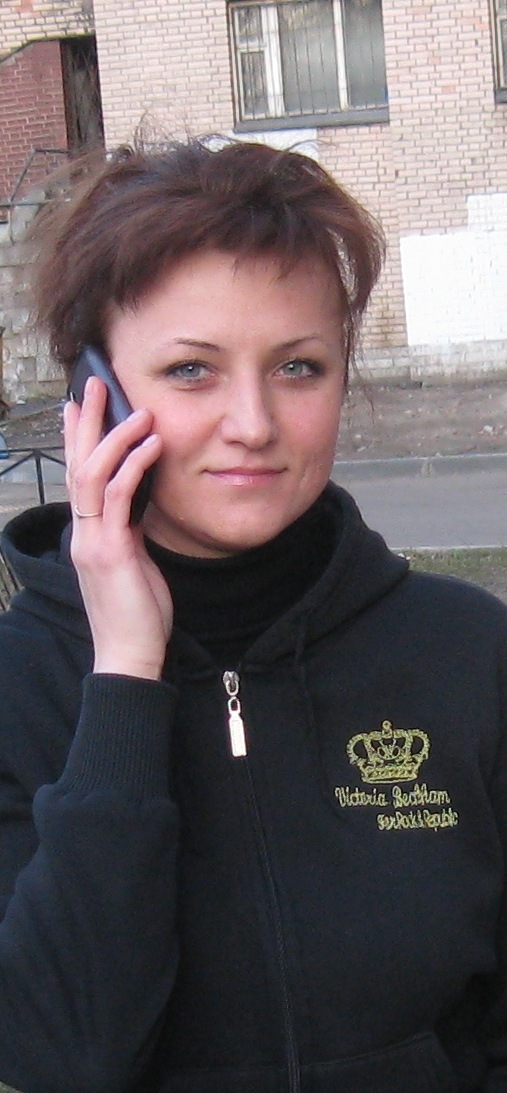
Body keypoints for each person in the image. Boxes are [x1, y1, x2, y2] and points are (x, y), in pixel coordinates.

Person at [0, 138, 506, 1093]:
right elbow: (64, 1054)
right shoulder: (21, 682)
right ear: (92, 396)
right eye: (192, 370)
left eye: (298, 367)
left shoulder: (466, 652)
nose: (253, 423)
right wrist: (124, 678)